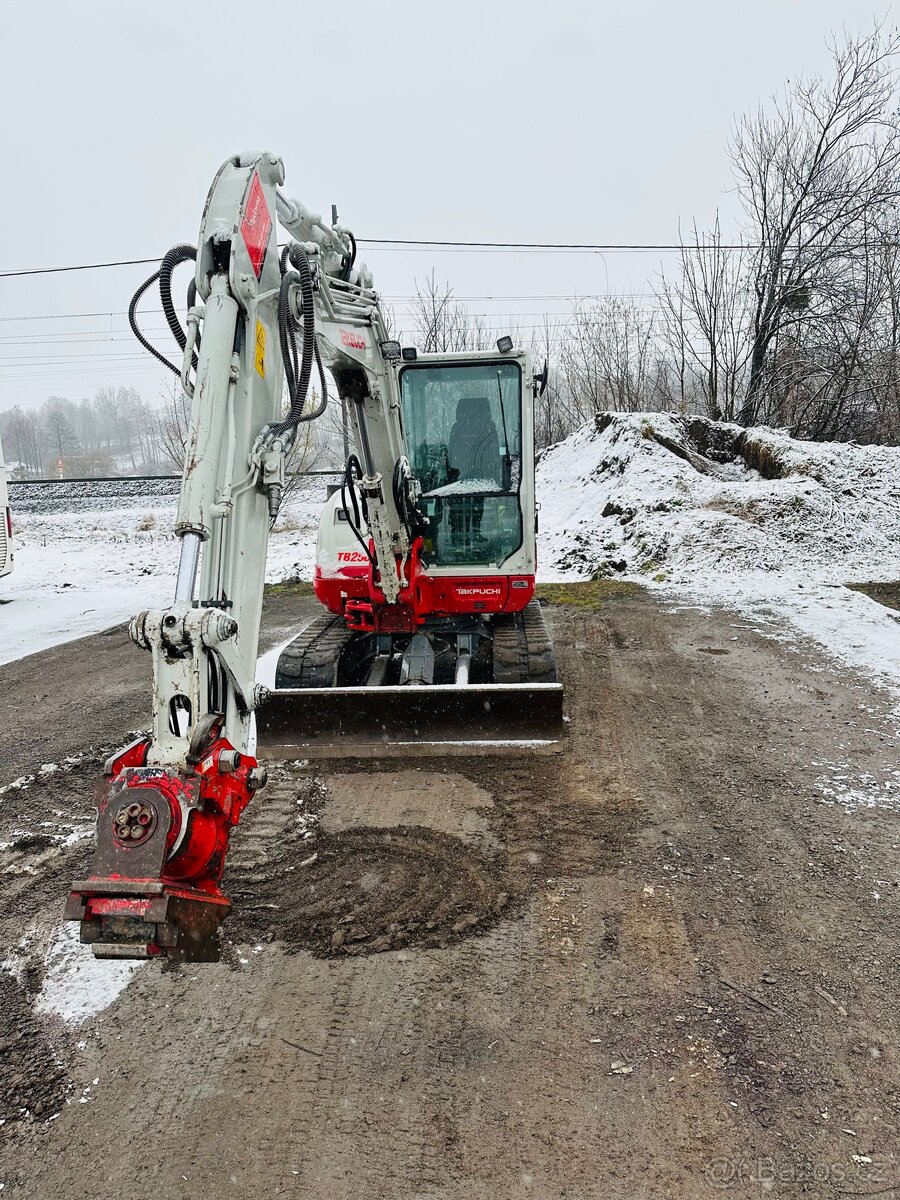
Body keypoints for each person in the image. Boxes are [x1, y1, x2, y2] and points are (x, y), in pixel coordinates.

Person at [447, 396, 499, 544]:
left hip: (469, 475)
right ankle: (462, 533)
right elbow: (451, 453)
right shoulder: (488, 427)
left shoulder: (459, 428)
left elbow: (450, 452)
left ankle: (464, 533)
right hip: (467, 475)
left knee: (465, 506)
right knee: (468, 505)